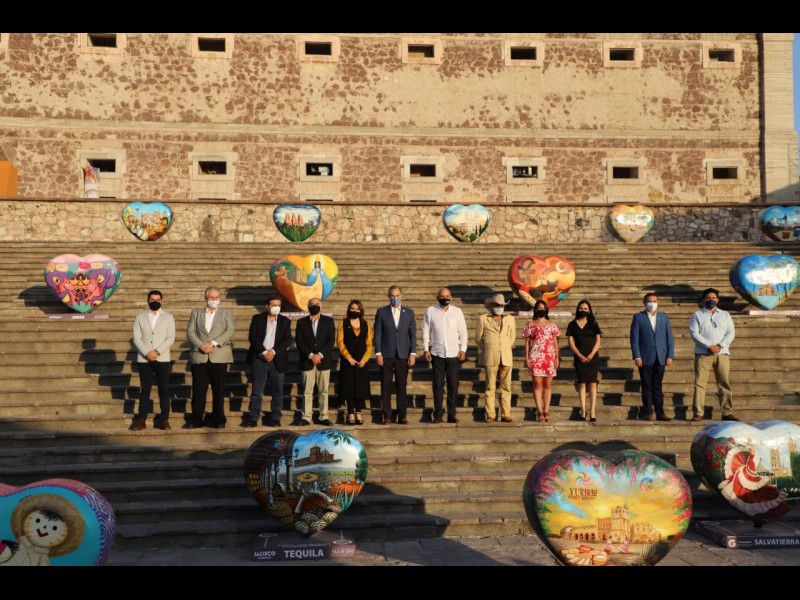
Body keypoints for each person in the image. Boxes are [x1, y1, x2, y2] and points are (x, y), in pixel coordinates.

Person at [185, 286, 235, 429]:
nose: (214, 300)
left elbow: (230, 330)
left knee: (218, 390)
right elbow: (190, 332)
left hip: (219, 355)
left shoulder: (226, 313)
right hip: (200, 355)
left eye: (216, 297)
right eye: (211, 297)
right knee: (198, 390)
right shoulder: (196, 313)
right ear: (206, 298)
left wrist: (212, 343)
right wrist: (201, 345)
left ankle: (218, 418)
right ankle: (196, 418)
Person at [243, 295, 293, 428]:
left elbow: (287, 339)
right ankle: (253, 417)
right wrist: (264, 352)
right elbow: (252, 337)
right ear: (267, 306)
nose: (276, 307)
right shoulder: (257, 318)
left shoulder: (285, 321)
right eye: (274, 305)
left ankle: (275, 418)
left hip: (277, 359)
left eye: (279, 305)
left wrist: (273, 352)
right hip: (260, 358)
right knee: (257, 390)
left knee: (277, 390)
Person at [689, 287, 738, 422]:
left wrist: (720, 345)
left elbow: (731, 333)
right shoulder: (697, 315)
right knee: (700, 383)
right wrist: (709, 346)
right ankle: (698, 412)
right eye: (708, 298)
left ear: (718, 300)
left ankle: (727, 412)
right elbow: (694, 333)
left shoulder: (725, 315)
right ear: (704, 300)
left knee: (724, 382)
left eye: (713, 298)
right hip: (703, 353)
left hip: (722, 353)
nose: (711, 300)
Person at [130, 290, 176, 431]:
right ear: (147, 301)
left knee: (164, 389)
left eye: (157, 299)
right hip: (144, 358)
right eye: (152, 299)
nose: (155, 301)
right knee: (145, 390)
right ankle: (141, 419)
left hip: (162, 357)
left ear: (162, 301)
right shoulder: (140, 317)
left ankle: (164, 419)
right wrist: (146, 352)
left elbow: (170, 338)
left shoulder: (168, 317)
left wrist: (156, 351)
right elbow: (136, 338)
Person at [423, 288, 468, 424]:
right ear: (437, 298)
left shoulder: (457, 312)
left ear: (451, 297)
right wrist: (426, 349)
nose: (445, 298)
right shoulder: (430, 311)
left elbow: (463, 332)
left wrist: (463, 349)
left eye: (447, 296)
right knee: (438, 385)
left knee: (453, 385)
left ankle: (451, 414)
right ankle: (438, 414)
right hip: (437, 353)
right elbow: (425, 331)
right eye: (442, 296)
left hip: (453, 354)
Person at [374, 285, 417, 425]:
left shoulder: (409, 313)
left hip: (403, 354)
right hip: (386, 354)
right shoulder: (381, 312)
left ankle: (402, 415)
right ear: (388, 297)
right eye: (392, 295)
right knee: (385, 386)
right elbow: (378, 334)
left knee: (401, 386)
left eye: (397, 295)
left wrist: (413, 353)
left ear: (401, 296)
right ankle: (387, 415)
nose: (395, 298)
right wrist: (378, 352)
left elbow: (412, 334)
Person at [630, 292, 675, 422]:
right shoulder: (638, 318)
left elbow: (669, 338)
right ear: (644, 303)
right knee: (646, 385)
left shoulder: (664, 318)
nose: (652, 303)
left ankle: (660, 412)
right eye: (649, 301)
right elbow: (634, 339)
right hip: (645, 357)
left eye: (654, 301)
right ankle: (648, 411)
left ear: (658, 302)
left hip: (661, 356)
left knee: (657, 385)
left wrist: (670, 355)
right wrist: (637, 356)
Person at [475, 293, 516, 423]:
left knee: (506, 387)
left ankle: (506, 413)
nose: (499, 307)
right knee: (490, 387)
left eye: (502, 305)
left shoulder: (510, 319)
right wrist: (488, 347)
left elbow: (512, 337)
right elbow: (478, 338)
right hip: (490, 356)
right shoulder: (483, 319)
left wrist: (504, 347)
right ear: (492, 305)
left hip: (506, 356)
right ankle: (490, 414)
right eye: (497, 305)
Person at [295, 297, 336, 426]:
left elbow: (331, 340)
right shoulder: (301, 322)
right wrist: (311, 355)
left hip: (324, 361)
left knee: (323, 391)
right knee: (307, 391)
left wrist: (320, 355)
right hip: (307, 361)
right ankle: (306, 417)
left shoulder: (328, 321)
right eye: (311, 304)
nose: (314, 306)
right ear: (308, 307)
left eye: (317, 304)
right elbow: (299, 342)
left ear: (321, 306)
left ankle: (323, 416)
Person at [524, 300, 561, 422]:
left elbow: (555, 342)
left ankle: (546, 410)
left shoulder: (552, 324)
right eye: (539, 308)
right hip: (535, 356)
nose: (541, 310)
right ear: (535, 309)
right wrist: (527, 358)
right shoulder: (530, 324)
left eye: (543, 308)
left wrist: (556, 357)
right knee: (537, 383)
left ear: (546, 310)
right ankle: (539, 411)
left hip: (549, 356)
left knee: (548, 384)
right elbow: (527, 342)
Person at [337, 299, 373, 425]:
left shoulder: (366, 324)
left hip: (361, 359)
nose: (355, 311)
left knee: (360, 386)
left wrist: (365, 359)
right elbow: (340, 342)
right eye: (352, 308)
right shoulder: (343, 323)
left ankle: (358, 411)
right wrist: (348, 357)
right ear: (349, 310)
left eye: (357, 309)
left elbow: (369, 344)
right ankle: (350, 412)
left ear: (361, 311)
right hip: (348, 359)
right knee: (349, 386)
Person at [566, 300, 602, 422]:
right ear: (577, 309)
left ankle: (592, 411)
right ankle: (583, 410)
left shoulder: (593, 324)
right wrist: (579, 354)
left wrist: (591, 354)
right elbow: (571, 341)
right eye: (581, 308)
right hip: (579, 357)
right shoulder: (572, 324)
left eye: (585, 309)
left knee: (592, 383)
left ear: (589, 310)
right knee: (581, 383)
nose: (583, 310)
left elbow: (598, 340)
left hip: (593, 357)